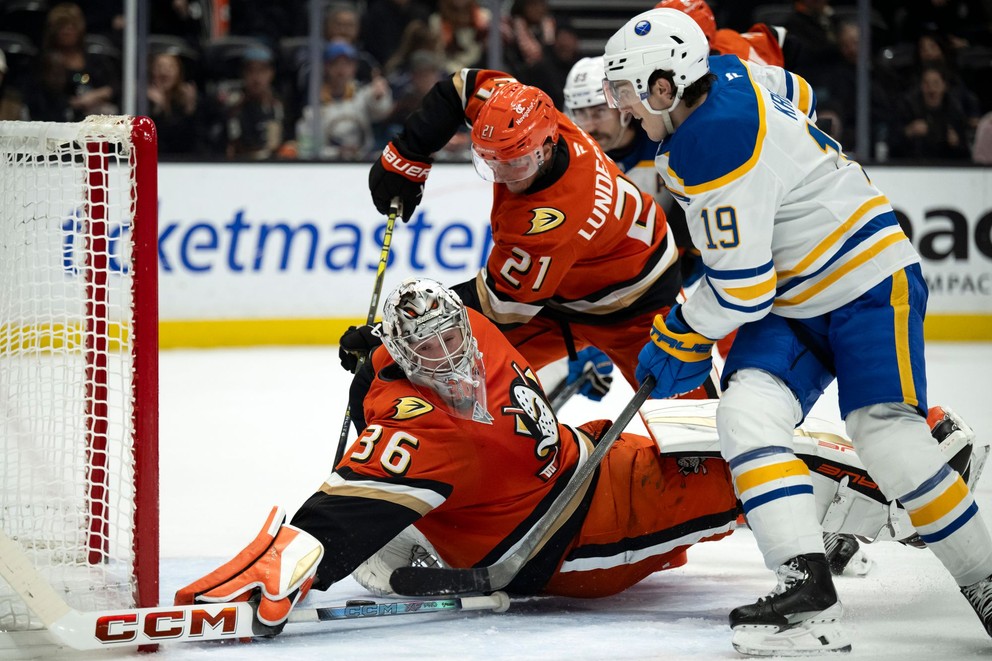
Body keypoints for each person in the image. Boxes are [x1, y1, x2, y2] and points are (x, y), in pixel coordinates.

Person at [173, 278, 980, 631]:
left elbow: (527, 314)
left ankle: (890, 488)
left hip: (598, 453)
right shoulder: (417, 423)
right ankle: (914, 494)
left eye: (455, 334)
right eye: (433, 351)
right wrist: (284, 567)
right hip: (575, 534)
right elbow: (344, 510)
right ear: (405, 359)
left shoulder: (467, 328)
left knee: (738, 436)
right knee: (757, 461)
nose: (456, 358)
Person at [603, 7, 992, 654]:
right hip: (798, 294)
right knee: (746, 416)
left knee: (884, 434)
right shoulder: (729, 71)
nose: (621, 109)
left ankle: (985, 578)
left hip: (867, 278)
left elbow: (741, 289)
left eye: (626, 93)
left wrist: (679, 332)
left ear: (666, 87)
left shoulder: (712, 146)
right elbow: (800, 94)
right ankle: (806, 589)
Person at [363, 68, 717, 400]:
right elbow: (460, 88)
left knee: (692, 416)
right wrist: (407, 152)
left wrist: (394, 334)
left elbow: (496, 307)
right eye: (490, 161)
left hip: (637, 303)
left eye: (515, 163)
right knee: (444, 383)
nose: (503, 176)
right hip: (555, 293)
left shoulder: (552, 222)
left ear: (547, 148)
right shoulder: (521, 119)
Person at [224, 45, 287, 160]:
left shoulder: (281, 104)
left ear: (271, 73)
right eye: (251, 71)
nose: (256, 77)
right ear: (244, 74)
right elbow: (234, 145)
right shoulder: (234, 107)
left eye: (262, 71)